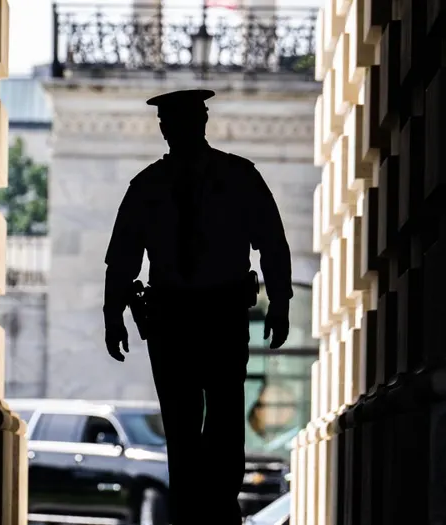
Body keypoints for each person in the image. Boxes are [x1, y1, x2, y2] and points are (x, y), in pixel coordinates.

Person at [102, 88, 292, 525]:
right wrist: (114, 315)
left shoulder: (235, 177)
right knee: (185, 425)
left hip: (216, 316)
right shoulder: (153, 185)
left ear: (200, 123)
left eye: (183, 121)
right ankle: (195, 512)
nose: (175, 130)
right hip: (176, 319)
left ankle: (218, 510)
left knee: (222, 419)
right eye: (171, 123)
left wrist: (280, 300)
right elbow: (123, 259)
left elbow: (272, 244)